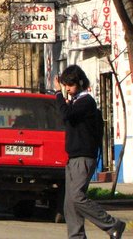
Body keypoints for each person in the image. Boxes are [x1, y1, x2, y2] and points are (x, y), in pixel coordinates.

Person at [55, 65, 125, 239]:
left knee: (77, 197)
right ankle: (76, 236)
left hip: (83, 157)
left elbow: (67, 115)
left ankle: (112, 224)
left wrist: (57, 94)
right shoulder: (76, 101)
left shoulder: (86, 101)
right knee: (69, 203)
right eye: (65, 86)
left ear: (79, 82)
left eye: (70, 85)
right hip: (73, 158)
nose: (67, 90)